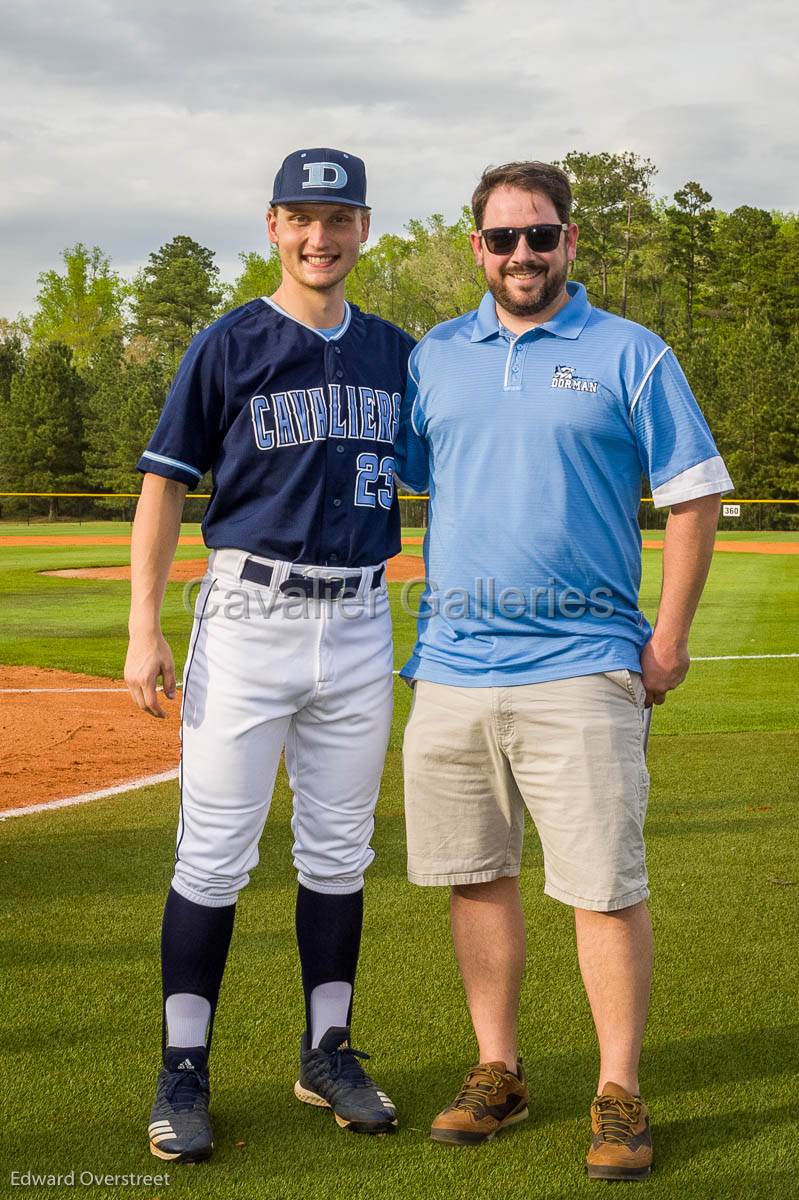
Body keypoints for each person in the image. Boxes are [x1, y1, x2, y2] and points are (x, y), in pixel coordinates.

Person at [393, 160, 732, 1180]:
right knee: (475, 876)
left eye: (540, 236)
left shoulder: (630, 354)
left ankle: (617, 1090)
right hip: (451, 668)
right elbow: (405, 480)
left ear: (570, 242)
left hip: (581, 664)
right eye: (502, 239)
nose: (522, 255)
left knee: (601, 885)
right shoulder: (435, 359)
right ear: (477, 250)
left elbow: (694, 494)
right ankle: (498, 1069)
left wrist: (664, 643)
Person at [125, 147, 413, 1163]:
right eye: (301, 217)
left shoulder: (394, 351)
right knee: (213, 853)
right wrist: (142, 625)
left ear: (363, 229)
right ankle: (183, 1068)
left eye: (337, 219)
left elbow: (450, 461)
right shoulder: (231, 343)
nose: (319, 236)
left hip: (361, 619)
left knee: (339, 851)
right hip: (249, 617)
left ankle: (327, 1051)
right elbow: (164, 482)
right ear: (273, 226)